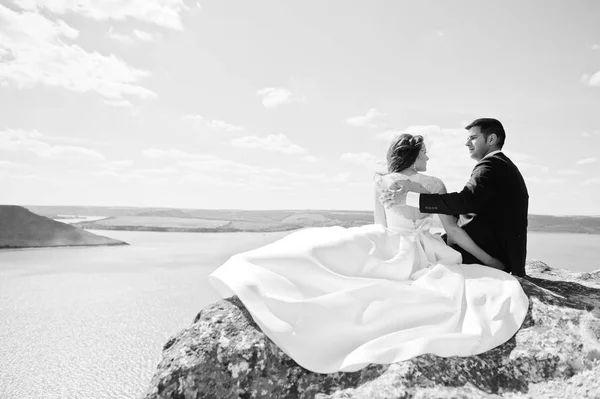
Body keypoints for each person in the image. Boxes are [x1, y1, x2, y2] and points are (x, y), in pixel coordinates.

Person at [209, 132, 529, 374]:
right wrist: (489, 261)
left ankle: (264, 272)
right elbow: (455, 232)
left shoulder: (382, 181)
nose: (428, 159)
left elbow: (380, 224)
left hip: (387, 240)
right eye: (426, 153)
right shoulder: (433, 182)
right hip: (421, 247)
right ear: (415, 156)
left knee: (329, 257)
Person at [379, 118, 529, 277]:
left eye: (473, 138)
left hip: (491, 253)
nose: (467, 143)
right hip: (493, 250)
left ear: (491, 139)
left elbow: (464, 202)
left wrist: (409, 198)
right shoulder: (500, 164)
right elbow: (470, 211)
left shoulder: (490, 165)